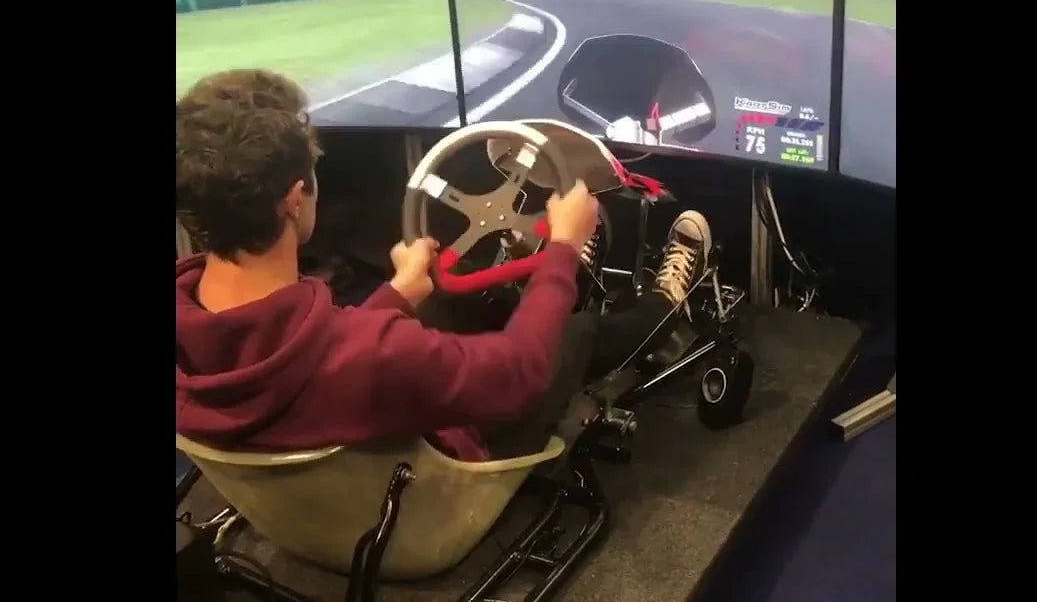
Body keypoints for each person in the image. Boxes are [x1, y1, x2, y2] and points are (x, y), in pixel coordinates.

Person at [176, 69, 713, 462]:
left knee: (441, 296)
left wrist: (397, 294)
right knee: (575, 331)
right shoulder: (377, 357)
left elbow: (315, 346)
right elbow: (518, 373)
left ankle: (548, 289)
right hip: (438, 499)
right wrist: (563, 251)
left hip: (310, 492)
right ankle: (665, 304)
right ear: (294, 199)